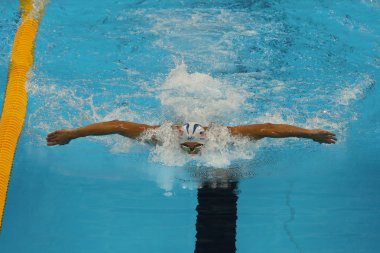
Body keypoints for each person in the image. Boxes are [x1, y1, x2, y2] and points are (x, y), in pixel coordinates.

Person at [46, 120, 337, 154]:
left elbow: (269, 129)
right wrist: (73, 134)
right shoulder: (161, 137)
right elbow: (118, 125)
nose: (192, 151)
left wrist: (309, 134)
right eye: (188, 146)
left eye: (195, 146)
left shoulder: (226, 136)